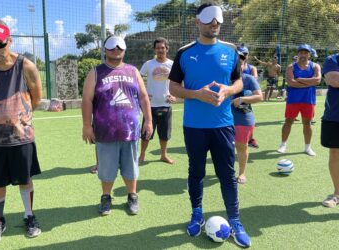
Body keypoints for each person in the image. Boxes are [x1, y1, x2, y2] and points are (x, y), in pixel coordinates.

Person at [168, 2, 251, 247]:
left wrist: (228, 90)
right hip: (194, 126)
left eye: (218, 19)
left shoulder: (231, 51)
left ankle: (235, 220)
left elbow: (238, 82)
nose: (214, 23)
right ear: (197, 22)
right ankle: (196, 214)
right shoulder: (184, 53)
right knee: (196, 172)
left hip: (223, 125)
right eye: (208, 19)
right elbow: (172, 87)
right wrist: (196, 94)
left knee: (227, 174)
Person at [0, 17, 42, 245]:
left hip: (21, 137)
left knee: (25, 179)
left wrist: (17, 118)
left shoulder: (26, 66)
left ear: (10, 41)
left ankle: (29, 216)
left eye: (0, 44)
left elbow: (37, 99)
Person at [81, 35, 152, 216]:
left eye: (120, 47)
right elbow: (87, 100)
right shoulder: (96, 72)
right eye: (112, 47)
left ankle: (132, 196)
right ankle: (106, 197)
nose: (116, 50)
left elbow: (143, 97)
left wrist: (149, 121)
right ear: (105, 50)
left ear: (124, 50)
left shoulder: (133, 71)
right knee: (106, 169)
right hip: (105, 132)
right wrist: (86, 126)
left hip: (131, 131)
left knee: (131, 167)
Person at [277, 44, 321, 156]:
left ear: (309, 55)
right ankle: (283, 145)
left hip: (308, 100)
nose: (303, 55)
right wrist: (309, 83)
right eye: (301, 52)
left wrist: (300, 80)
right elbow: (291, 83)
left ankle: (307, 147)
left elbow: (318, 81)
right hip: (293, 100)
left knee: (307, 123)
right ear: (298, 54)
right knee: (288, 122)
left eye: (306, 52)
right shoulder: (291, 67)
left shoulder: (315, 66)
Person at [139, 37, 176, 165]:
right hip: (150, 106)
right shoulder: (148, 64)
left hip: (166, 105)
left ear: (167, 49)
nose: (160, 50)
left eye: (162, 48)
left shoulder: (172, 64)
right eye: (158, 48)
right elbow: (138, 79)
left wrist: (174, 95)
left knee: (165, 134)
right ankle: (142, 155)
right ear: (154, 49)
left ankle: (163, 155)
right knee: (146, 133)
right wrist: (143, 93)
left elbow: (178, 82)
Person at [232, 51, 263, 184]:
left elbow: (259, 97)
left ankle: (242, 173)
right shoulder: (223, 77)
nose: (239, 62)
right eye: (236, 60)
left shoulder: (249, 79)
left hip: (243, 119)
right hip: (222, 118)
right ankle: (227, 172)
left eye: (242, 60)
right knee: (224, 147)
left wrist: (242, 99)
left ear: (245, 62)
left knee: (241, 146)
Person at [321, 53, 339, 207]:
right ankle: (337, 193)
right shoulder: (332, 59)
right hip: (334, 116)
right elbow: (334, 80)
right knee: (335, 152)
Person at [238, 45, 260, 149]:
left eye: (245, 54)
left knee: (247, 115)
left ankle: (250, 138)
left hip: (247, 94)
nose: (244, 56)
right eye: (241, 54)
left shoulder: (251, 68)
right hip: (235, 92)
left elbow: (254, 79)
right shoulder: (233, 65)